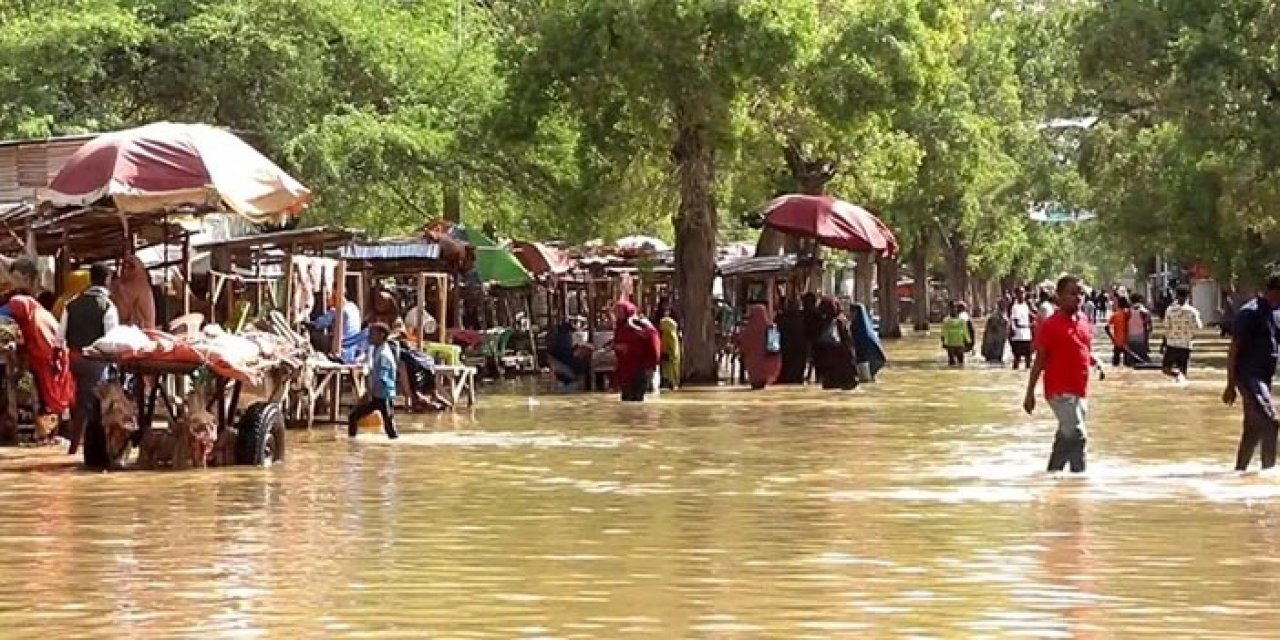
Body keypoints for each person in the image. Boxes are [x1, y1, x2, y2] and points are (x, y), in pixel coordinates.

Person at [1023, 275, 1096, 473]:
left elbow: (1084, 347)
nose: (1078, 298)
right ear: (1059, 296)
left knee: (1066, 435)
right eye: (1072, 293)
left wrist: (1095, 361)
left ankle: (1054, 475)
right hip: (1059, 390)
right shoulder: (1050, 325)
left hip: (1080, 389)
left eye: (1080, 293)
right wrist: (1030, 392)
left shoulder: (1083, 320)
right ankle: (1080, 477)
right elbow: (1039, 360)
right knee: (1077, 433)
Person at [58, 263, 119, 455]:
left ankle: (78, 447)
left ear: (91, 279)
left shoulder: (71, 303)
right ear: (107, 280)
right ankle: (77, 448)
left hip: (73, 360)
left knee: (80, 403)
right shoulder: (108, 306)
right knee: (91, 404)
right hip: (96, 362)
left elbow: (59, 338)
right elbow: (111, 341)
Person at [1222, 276, 1280, 471]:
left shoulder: (1275, 314)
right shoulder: (1250, 313)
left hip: (1264, 377)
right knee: (1271, 421)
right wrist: (1230, 384)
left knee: (1254, 428)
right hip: (1248, 376)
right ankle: (1269, 473)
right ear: (1273, 291)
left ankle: (1240, 472)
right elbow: (1234, 349)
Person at [4, 295, 74, 440]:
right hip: (46, 360)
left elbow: (43, 345)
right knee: (51, 396)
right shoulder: (34, 316)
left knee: (52, 396)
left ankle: (56, 430)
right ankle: (52, 430)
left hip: (48, 361)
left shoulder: (36, 320)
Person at [348, 323, 400, 439]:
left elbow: (382, 378)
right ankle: (352, 442)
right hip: (378, 394)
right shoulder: (377, 350)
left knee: (389, 427)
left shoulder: (383, 355)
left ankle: (352, 441)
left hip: (383, 395)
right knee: (354, 417)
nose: (369, 337)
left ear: (381, 335)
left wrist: (368, 394)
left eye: (372, 334)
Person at [612, 300, 661, 402]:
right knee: (626, 399)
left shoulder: (640, 324)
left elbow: (653, 341)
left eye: (620, 311)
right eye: (616, 312)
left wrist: (651, 366)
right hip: (625, 370)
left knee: (638, 399)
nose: (618, 314)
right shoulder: (620, 327)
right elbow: (617, 344)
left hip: (640, 369)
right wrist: (618, 347)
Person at [811, 297, 859, 390]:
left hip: (840, 364)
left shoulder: (838, 322)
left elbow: (846, 344)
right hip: (836, 365)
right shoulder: (832, 322)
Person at [311, 288, 364, 364]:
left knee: (315, 336)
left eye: (330, 296)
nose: (327, 298)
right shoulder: (354, 307)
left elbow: (319, 324)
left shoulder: (339, 310)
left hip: (341, 349)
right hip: (352, 349)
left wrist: (307, 322)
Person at [1162, 284, 1203, 380]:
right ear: (1188, 296)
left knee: (1166, 369)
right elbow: (1199, 327)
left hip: (1172, 344)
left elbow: (1166, 327)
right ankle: (1181, 380)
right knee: (1183, 370)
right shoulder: (1193, 311)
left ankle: (1177, 376)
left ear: (1176, 295)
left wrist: (1163, 342)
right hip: (1186, 345)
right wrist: (1190, 333)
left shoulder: (1170, 310)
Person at [738, 304, 781, 390]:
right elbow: (775, 347)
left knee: (755, 380)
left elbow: (742, 343)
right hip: (767, 361)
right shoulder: (771, 327)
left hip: (753, 362)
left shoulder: (748, 329)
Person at [109, 254, 156, 329]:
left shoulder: (139, 286)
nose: (125, 270)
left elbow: (123, 313)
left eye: (131, 267)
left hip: (139, 331)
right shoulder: (122, 285)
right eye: (124, 266)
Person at [848, 303, 887, 382]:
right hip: (872, 359)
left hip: (866, 359)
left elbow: (861, 346)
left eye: (853, 312)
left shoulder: (860, 328)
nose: (850, 314)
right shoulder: (863, 326)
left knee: (865, 382)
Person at [941, 301, 973, 366]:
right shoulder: (946, 320)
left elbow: (965, 331)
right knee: (951, 362)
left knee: (961, 362)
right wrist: (944, 342)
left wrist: (969, 342)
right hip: (950, 344)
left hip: (959, 343)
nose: (954, 310)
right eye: (952, 308)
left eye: (955, 308)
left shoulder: (962, 320)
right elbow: (943, 332)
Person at [1009, 288, 1035, 370]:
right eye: (1020, 293)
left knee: (1028, 359)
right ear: (1016, 295)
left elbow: (1031, 315)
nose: (1022, 295)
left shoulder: (1026, 305)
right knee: (1017, 359)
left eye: (1023, 293)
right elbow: (1016, 323)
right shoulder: (1015, 307)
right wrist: (1029, 325)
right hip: (1018, 336)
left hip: (1027, 336)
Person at [1127, 293, 1153, 363]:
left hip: (1130, 336)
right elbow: (1149, 327)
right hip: (1141, 336)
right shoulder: (1144, 311)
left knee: (1132, 358)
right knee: (1142, 358)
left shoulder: (1128, 311)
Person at [1105, 297, 1131, 366]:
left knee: (1115, 364)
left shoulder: (1115, 315)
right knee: (1128, 365)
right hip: (1127, 343)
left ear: (1118, 304)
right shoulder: (1129, 314)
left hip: (1117, 343)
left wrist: (1112, 338)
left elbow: (1106, 327)